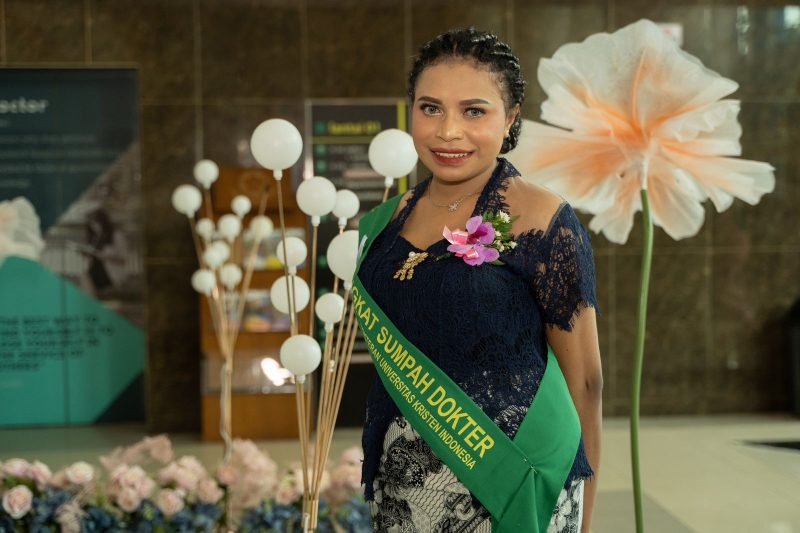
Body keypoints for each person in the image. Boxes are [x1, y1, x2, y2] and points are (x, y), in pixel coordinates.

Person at [355, 28, 603, 533]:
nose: (448, 132)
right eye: (430, 108)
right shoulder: (391, 219)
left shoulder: (541, 218)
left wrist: (586, 506)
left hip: (509, 479)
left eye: (474, 111)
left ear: (510, 119)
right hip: (401, 487)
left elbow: (587, 380)